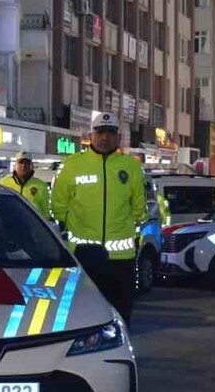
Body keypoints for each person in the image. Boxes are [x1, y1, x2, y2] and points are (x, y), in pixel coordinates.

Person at [51, 111, 147, 320]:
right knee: (83, 316)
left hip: (121, 259)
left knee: (121, 314)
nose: (105, 137)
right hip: (84, 257)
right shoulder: (72, 165)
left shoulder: (131, 167)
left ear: (118, 137)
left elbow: (139, 208)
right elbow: (59, 205)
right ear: (91, 135)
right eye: (100, 132)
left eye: (110, 132)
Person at [0, 151, 51, 218]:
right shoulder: (4, 183)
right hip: (8, 223)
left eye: (27, 163)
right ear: (15, 165)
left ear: (31, 165)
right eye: (21, 163)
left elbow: (45, 211)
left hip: (32, 224)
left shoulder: (40, 185)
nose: (23, 166)